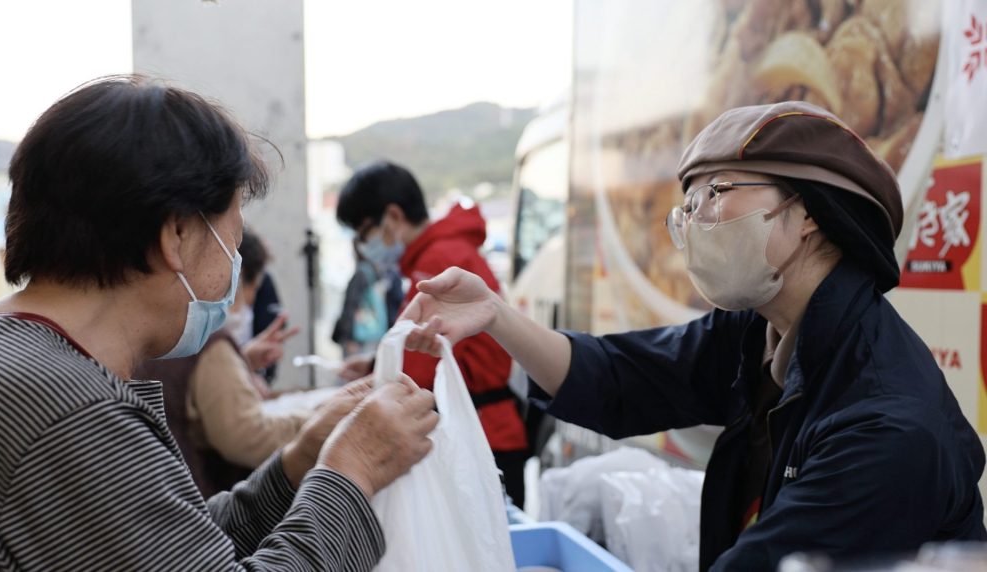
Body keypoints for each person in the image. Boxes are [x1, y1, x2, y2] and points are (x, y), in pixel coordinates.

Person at [401, 101, 987, 570]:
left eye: (716, 192)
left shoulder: (886, 426)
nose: (694, 221)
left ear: (809, 214)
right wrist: (497, 316)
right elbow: (623, 378)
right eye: (687, 204)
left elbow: (767, 562)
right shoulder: (759, 328)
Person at [0, 75, 437, 571]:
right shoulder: (70, 411)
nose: (234, 260)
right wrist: (351, 472)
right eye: (232, 237)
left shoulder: (0, 353)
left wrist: (297, 465)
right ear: (178, 232)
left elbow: (169, 550)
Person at [336, 161, 529, 506]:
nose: (362, 246)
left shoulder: (438, 261)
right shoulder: (444, 251)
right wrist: (370, 365)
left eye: (363, 233)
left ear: (393, 217)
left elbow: (415, 371)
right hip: (489, 429)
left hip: (482, 437)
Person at [135, 228, 307, 497]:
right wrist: (317, 421)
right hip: (199, 501)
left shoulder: (156, 326)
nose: (250, 299)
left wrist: (241, 361)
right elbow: (247, 437)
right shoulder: (209, 345)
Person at [332, 240, 389, 357]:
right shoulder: (375, 271)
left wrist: (349, 337)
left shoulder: (361, 273)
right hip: (372, 332)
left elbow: (351, 304)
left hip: (357, 336)